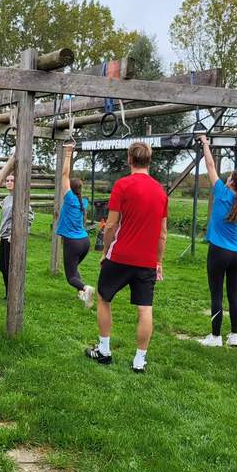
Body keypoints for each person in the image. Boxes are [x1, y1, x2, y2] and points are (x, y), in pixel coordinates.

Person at [87, 142, 168, 372]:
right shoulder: (161, 192)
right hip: (147, 262)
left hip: (120, 255)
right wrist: (158, 262)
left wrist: (105, 251)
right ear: (149, 161)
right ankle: (139, 362)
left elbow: (111, 224)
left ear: (129, 159)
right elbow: (163, 234)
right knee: (145, 309)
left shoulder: (122, 185)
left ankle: (103, 350)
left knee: (104, 298)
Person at [197, 135, 237, 347]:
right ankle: (234, 336)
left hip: (218, 252)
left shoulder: (221, 192)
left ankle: (215, 337)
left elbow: (210, 164)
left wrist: (205, 143)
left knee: (216, 294)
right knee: (233, 295)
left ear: (231, 181)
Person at [56, 144, 95, 307]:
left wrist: (68, 153)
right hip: (84, 242)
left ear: (70, 189)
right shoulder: (83, 202)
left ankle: (86, 288)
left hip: (73, 243)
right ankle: (82, 294)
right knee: (73, 268)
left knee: (71, 277)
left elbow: (64, 174)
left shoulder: (70, 198)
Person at [0, 171, 34, 298]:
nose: (9, 183)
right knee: (3, 267)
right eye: (7, 180)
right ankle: (8, 294)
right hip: (4, 236)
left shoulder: (21, 198)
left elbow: (29, 218)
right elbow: (4, 218)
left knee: (12, 268)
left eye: (12, 180)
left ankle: (16, 296)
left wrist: (16, 235)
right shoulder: (6, 199)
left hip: (12, 238)